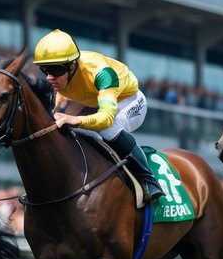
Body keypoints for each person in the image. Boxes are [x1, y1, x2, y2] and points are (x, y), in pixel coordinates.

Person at [35, 29, 163, 202]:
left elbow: (106, 118)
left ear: (71, 67)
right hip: (91, 99)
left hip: (128, 100)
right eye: (45, 70)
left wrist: (76, 119)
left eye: (55, 71)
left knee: (108, 129)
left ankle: (148, 179)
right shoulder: (62, 77)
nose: (49, 78)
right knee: (60, 126)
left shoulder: (102, 74)